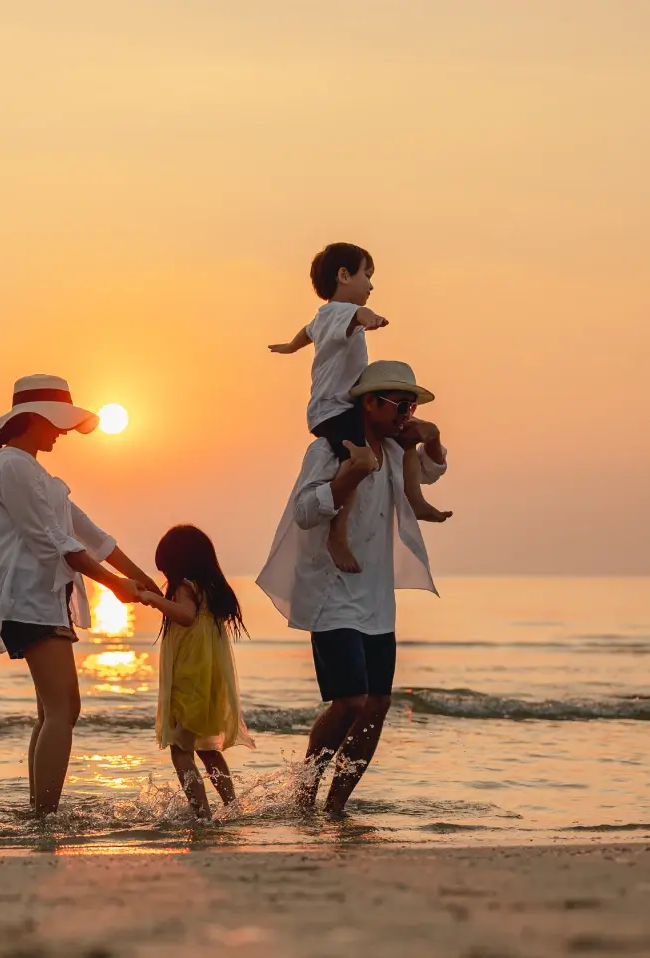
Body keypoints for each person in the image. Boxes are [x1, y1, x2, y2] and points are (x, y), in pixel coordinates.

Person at [256, 360, 449, 817]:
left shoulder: (394, 449)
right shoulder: (330, 449)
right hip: (332, 592)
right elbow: (305, 511)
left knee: (378, 704)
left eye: (412, 404)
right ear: (370, 402)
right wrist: (349, 474)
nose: (407, 413)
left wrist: (433, 434)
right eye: (400, 404)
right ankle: (305, 795)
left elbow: (431, 471)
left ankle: (336, 807)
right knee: (349, 701)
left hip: (378, 598)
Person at [0, 374, 160, 816]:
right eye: (57, 422)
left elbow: (91, 535)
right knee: (64, 710)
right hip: (30, 603)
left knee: (54, 712)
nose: (62, 432)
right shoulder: (14, 466)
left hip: (45, 601)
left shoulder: (35, 472)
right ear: (34, 419)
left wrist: (146, 580)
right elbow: (54, 542)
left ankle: (39, 812)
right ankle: (44, 816)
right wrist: (115, 586)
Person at [269, 242, 451, 573]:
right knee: (357, 462)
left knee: (407, 438)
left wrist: (291, 347)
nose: (371, 284)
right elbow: (359, 315)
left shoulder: (322, 319)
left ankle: (417, 501)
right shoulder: (340, 313)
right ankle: (337, 535)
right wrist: (372, 319)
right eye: (366, 274)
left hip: (341, 408)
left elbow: (305, 333)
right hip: (334, 410)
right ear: (343, 276)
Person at [136, 525, 255, 819]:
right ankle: (232, 807)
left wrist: (152, 600)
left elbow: (186, 617)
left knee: (180, 749)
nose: (166, 578)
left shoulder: (184, 588)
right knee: (209, 750)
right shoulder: (211, 590)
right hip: (208, 681)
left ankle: (201, 814)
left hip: (188, 681)